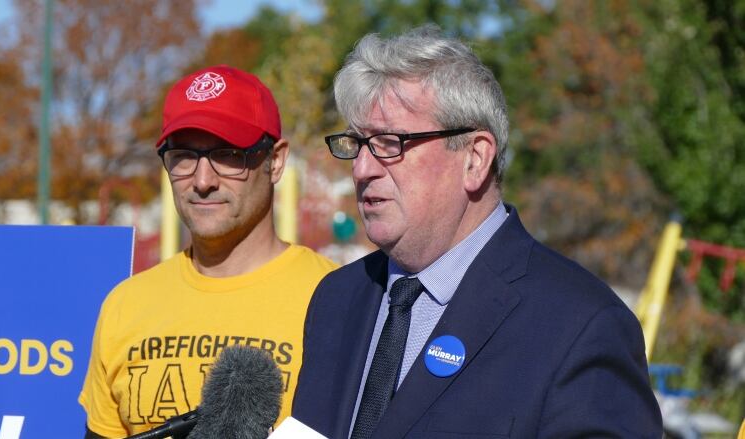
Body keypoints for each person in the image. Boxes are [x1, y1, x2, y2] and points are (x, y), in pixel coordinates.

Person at [292, 25, 662, 438]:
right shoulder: (337, 299)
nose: (362, 168)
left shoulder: (580, 326)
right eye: (357, 144)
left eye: (390, 143)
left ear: (475, 158)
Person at [79, 65, 338, 438]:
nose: (202, 181)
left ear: (276, 161)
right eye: (184, 155)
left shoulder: (336, 300)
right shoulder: (126, 304)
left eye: (228, 154)